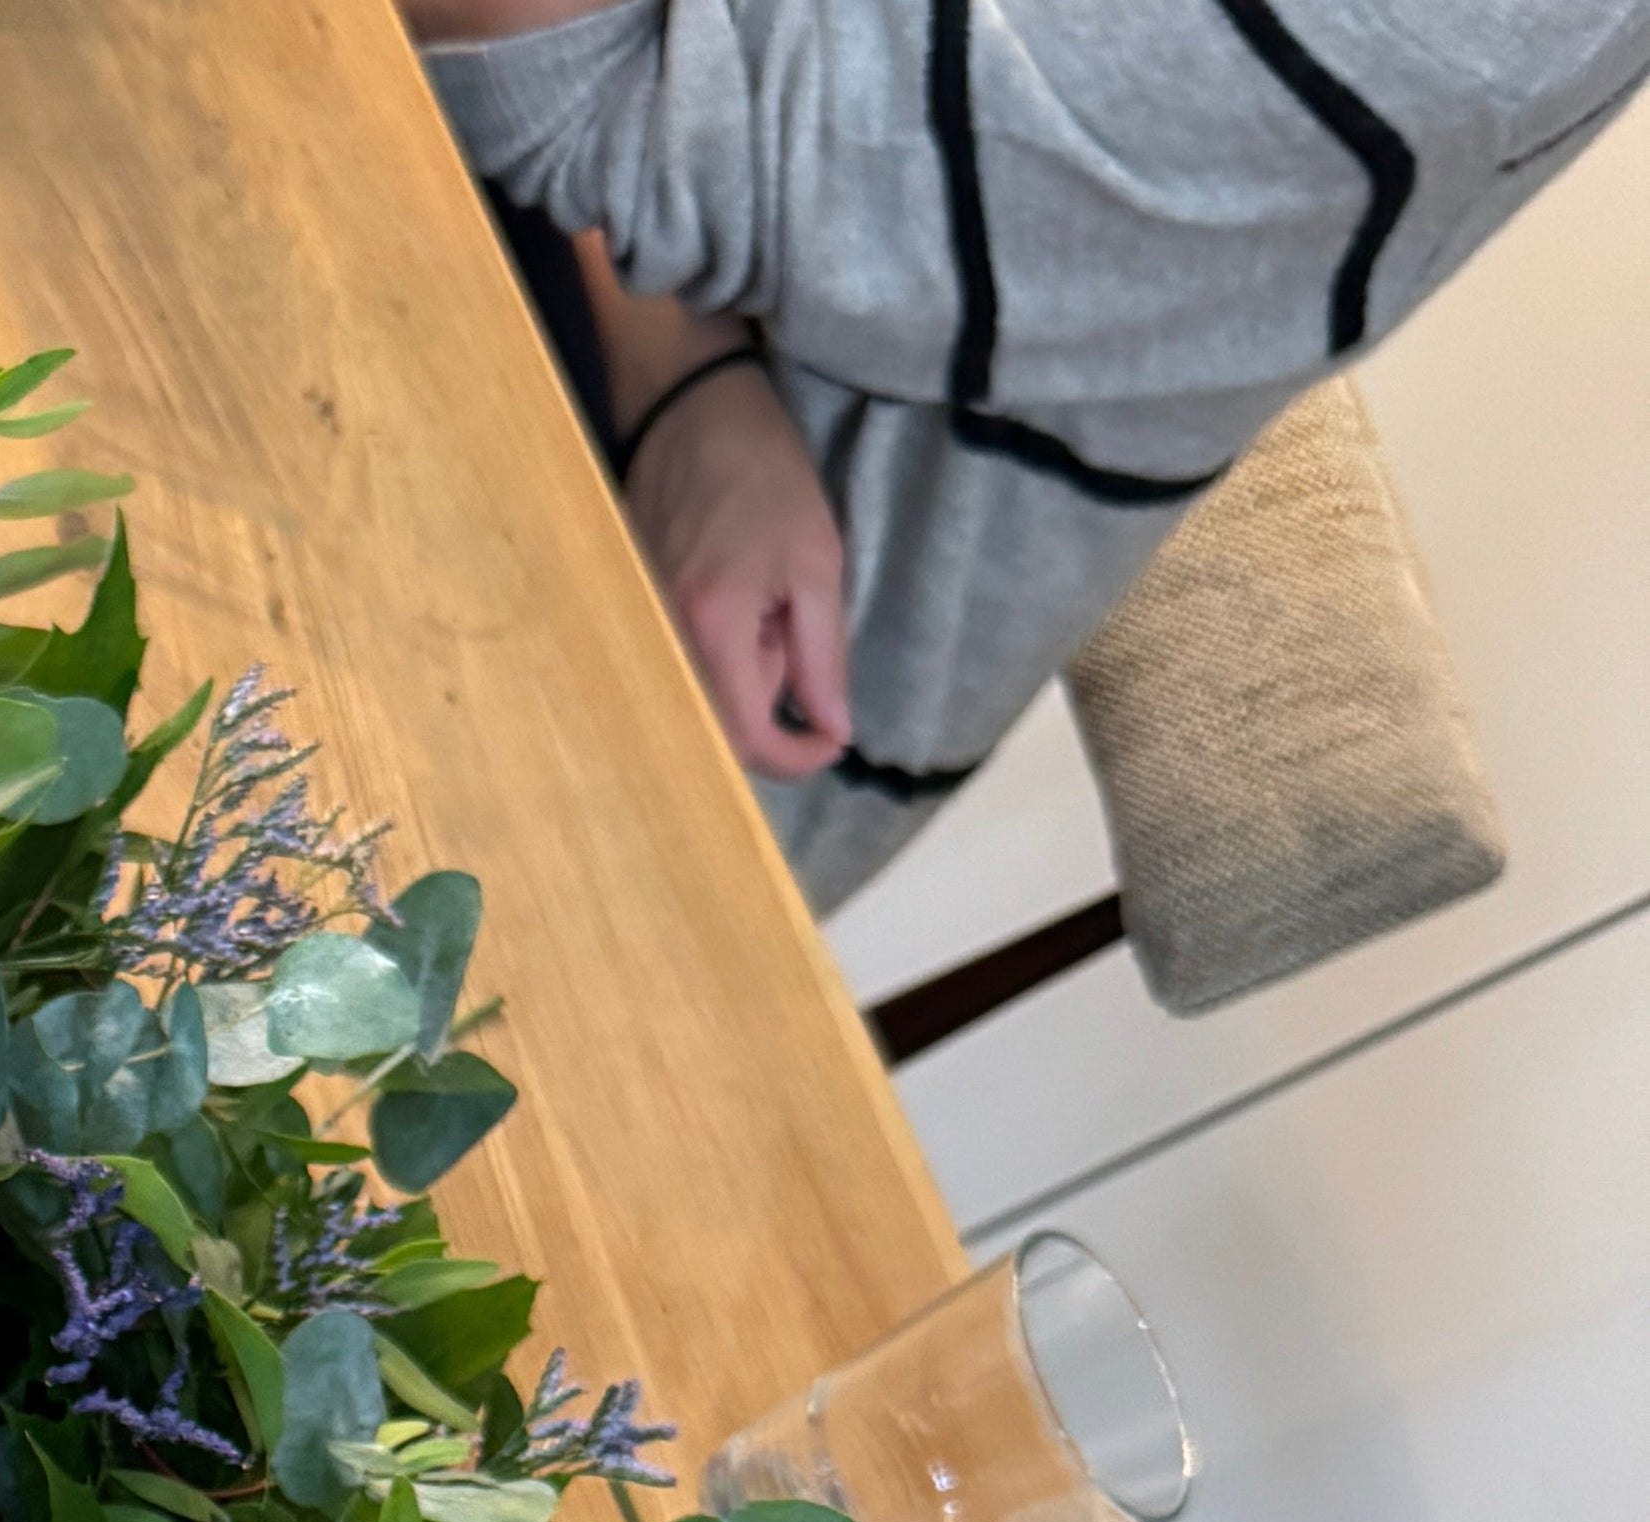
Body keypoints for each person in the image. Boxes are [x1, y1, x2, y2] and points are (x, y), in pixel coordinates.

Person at [398, 0, 1650, 902]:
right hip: (623, 295)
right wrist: (685, 367)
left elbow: (600, 112)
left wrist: (680, 371)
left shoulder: (1451, 32)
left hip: (590, 704)